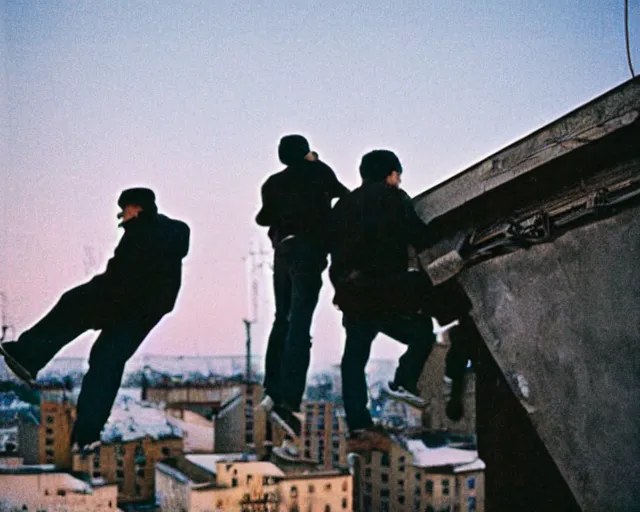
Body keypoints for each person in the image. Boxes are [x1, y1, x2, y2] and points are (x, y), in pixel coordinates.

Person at [0, 188, 190, 453]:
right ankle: (88, 432)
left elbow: (120, 273)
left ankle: (27, 356)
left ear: (135, 208)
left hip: (124, 299)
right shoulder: (170, 231)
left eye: (123, 213)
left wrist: (96, 294)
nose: (121, 219)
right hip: (147, 310)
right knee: (107, 360)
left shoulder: (140, 231)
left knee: (71, 306)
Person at [330, 149, 443, 451]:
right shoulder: (396, 199)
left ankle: (359, 424)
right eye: (398, 173)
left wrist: (340, 288)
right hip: (388, 294)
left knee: (354, 358)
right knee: (421, 332)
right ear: (390, 174)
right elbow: (421, 237)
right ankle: (403, 381)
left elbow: (335, 252)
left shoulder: (343, 205)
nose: (400, 178)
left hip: (354, 295)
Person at [256, 134, 349, 437]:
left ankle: (272, 387)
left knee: (281, 319)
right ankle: (288, 399)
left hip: (284, 252)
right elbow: (344, 196)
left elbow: (264, 217)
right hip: (309, 253)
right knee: (299, 324)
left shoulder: (272, 183)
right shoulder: (318, 173)